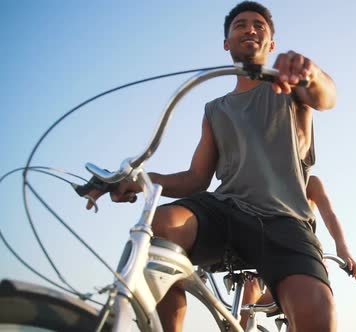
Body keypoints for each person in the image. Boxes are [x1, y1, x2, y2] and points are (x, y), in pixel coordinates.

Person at [87, 2, 338, 331]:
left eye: (259, 26)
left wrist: (311, 72)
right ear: (226, 43)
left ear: (272, 43)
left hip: (285, 220)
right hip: (228, 211)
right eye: (240, 25)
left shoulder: (290, 87)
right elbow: (195, 178)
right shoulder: (215, 109)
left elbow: (325, 97)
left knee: (317, 318)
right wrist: (137, 179)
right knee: (161, 225)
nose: (250, 29)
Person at [239, 175, 356, 329]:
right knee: (250, 291)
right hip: (273, 255)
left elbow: (330, 216)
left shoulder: (309, 182)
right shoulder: (266, 178)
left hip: (304, 259)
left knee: (305, 311)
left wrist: (343, 249)